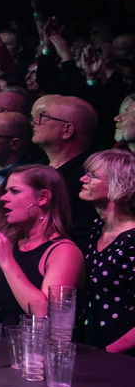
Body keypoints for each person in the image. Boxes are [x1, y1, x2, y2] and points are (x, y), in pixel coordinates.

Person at [0, 165, 82, 319]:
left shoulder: (64, 251)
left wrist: (6, 261)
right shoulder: (16, 243)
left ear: (43, 198)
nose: (3, 198)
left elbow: (44, 313)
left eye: (15, 191)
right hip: (7, 338)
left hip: (38, 342)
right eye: (6, 191)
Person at [76, 149, 135, 353]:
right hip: (90, 344)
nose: (83, 178)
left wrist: (109, 352)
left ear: (119, 184)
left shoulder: (132, 240)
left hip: (121, 356)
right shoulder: (95, 229)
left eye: (92, 175)